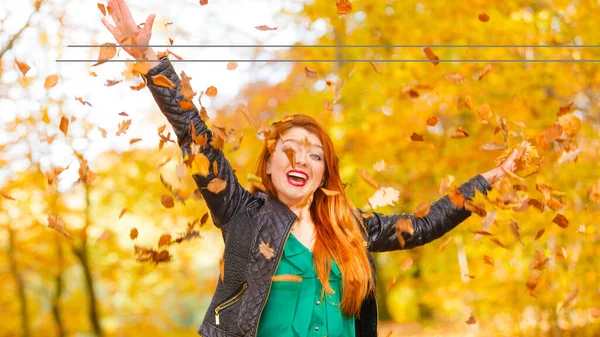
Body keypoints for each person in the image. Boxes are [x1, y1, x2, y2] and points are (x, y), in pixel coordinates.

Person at [101, 1, 521, 336]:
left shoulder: (350, 228)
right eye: (290, 150)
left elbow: (424, 223)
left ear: (324, 174)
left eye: (315, 155)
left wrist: (487, 182)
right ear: (269, 164)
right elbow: (195, 136)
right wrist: (149, 59)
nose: (301, 159)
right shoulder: (241, 214)